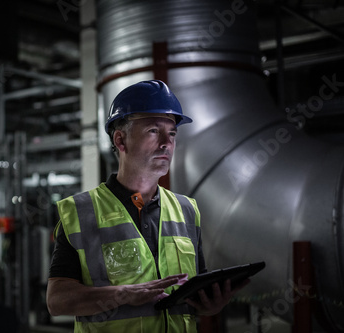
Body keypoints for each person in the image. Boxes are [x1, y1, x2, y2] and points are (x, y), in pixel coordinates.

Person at [47, 80, 247, 332]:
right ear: (121, 141)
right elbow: (56, 302)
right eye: (153, 131)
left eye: (172, 133)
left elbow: (192, 298)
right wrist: (123, 294)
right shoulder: (80, 212)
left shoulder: (186, 210)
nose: (166, 142)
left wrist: (209, 306)